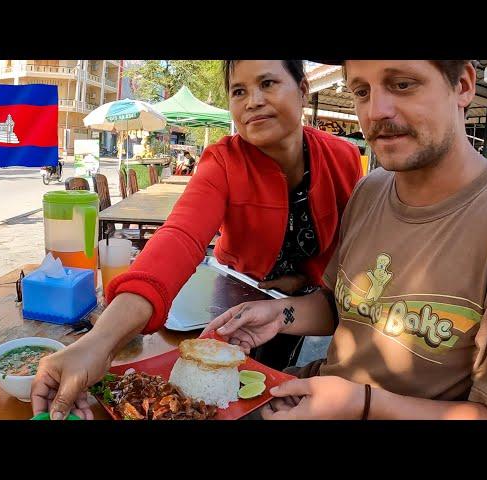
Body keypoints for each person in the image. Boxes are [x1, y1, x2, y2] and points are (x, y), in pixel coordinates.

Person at [204, 60, 487, 420]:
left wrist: (363, 405)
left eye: (402, 84)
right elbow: (346, 306)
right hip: (305, 396)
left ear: (462, 86)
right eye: (362, 91)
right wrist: (280, 315)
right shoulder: (370, 189)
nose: (375, 111)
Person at [31, 60, 362, 420]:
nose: (252, 101)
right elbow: (179, 237)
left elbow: (350, 250)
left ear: (302, 90)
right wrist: (98, 344)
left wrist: (302, 281)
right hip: (236, 297)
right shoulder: (223, 160)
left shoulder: (342, 157)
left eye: (267, 83)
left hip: (313, 305)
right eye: (239, 91)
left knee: (274, 389)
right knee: (218, 394)